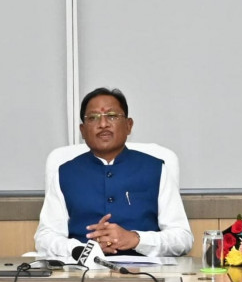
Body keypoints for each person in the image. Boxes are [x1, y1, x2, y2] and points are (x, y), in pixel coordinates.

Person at [35, 87, 192, 258]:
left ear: (128, 125)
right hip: (84, 270)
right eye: (93, 118)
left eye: (112, 116)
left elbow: (182, 238)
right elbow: (45, 238)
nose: (103, 124)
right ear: (82, 130)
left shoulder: (156, 169)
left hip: (146, 271)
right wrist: (84, 250)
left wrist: (137, 239)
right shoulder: (65, 173)